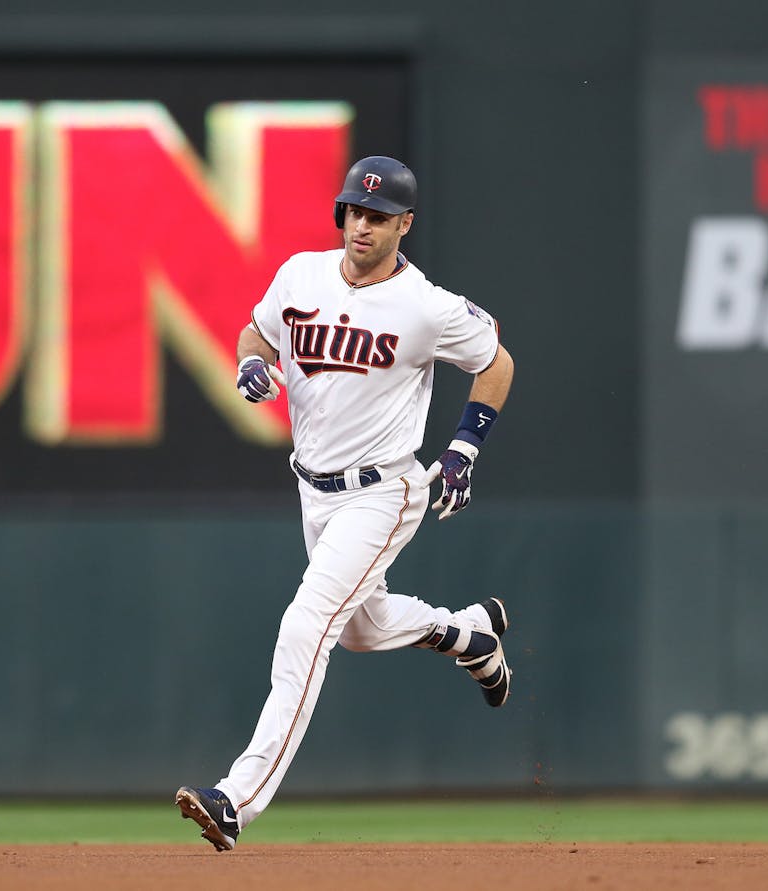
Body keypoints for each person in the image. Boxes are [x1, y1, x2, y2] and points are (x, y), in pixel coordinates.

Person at [175, 156, 516, 851]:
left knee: (307, 624)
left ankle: (236, 798)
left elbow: (497, 361)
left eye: (380, 216)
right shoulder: (300, 273)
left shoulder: (425, 305)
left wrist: (463, 450)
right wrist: (251, 362)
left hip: (385, 490)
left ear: (405, 225)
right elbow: (258, 332)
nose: (362, 225)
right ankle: (469, 634)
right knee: (361, 626)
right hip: (313, 487)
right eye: (356, 212)